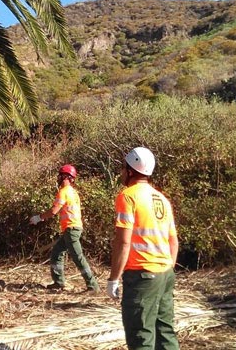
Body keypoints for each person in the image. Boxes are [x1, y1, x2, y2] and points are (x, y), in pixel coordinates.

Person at [107, 147, 180, 350]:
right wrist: (165, 271)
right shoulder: (162, 199)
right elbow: (173, 242)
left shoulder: (128, 196)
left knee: (141, 337)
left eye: (124, 168)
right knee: (165, 334)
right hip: (165, 274)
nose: (122, 172)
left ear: (130, 170)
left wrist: (113, 278)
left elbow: (123, 242)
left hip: (142, 277)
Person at [29, 164, 99, 292]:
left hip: (71, 229)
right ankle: (58, 282)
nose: (58, 178)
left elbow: (54, 211)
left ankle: (92, 285)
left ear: (66, 177)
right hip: (71, 229)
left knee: (78, 257)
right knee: (57, 253)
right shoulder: (73, 192)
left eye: (60, 175)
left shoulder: (64, 192)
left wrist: (38, 218)